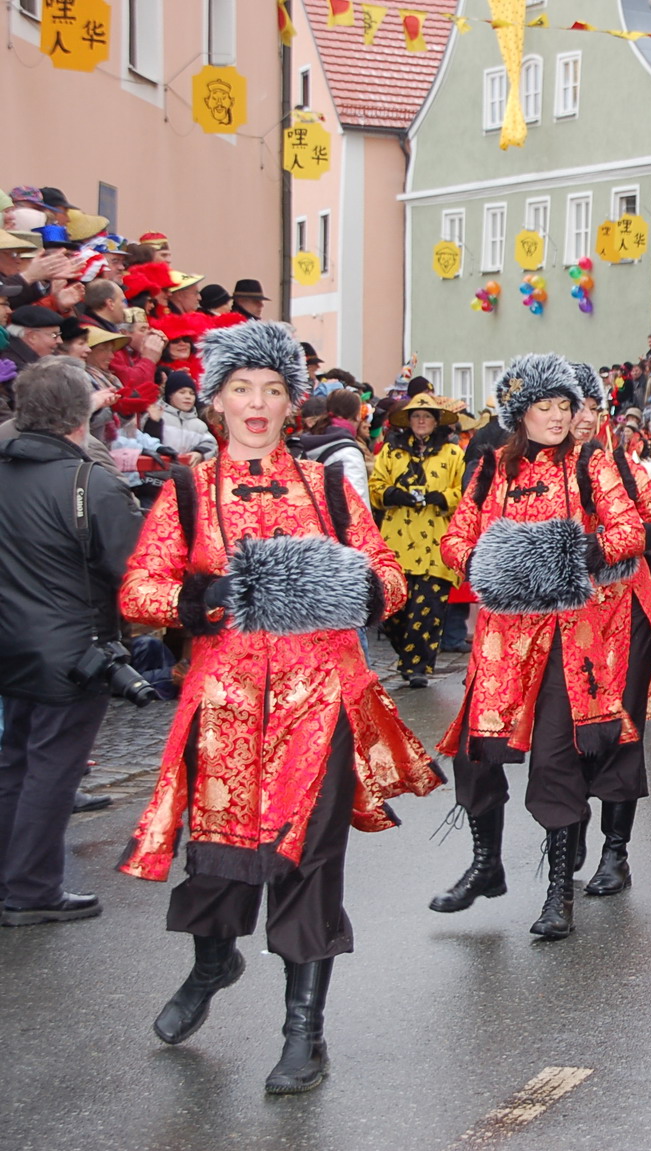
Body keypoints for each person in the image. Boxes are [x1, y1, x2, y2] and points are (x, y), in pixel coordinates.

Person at [118, 322, 442, 1093]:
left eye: (271, 389)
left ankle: (305, 1032)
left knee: (310, 860)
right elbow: (136, 591)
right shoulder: (190, 489)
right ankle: (213, 960)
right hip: (224, 704)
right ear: (217, 400)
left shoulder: (327, 486)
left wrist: (363, 589)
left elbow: (388, 573)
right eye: (241, 389)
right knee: (220, 859)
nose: (257, 404)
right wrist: (199, 600)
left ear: (291, 401)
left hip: (318, 701)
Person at [432, 355, 651, 940]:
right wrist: (487, 561)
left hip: (572, 634)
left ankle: (559, 890)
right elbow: (455, 537)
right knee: (477, 752)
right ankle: (487, 865)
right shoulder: (490, 468)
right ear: (520, 414)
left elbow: (628, 531)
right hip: (502, 640)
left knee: (559, 759)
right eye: (546, 406)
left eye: (567, 405)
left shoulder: (593, 462)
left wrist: (574, 556)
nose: (560, 416)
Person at [0, 359, 143, 926]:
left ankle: (14, 879)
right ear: (83, 415)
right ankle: (31, 887)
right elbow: (131, 571)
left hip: (13, 640)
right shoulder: (90, 481)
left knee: (15, 762)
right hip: (72, 650)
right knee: (51, 770)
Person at [370, 394, 466, 688]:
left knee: (428, 611)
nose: (421, 421)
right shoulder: (391, 451)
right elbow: (376, 485)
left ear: (436, 421)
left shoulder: (452, 454)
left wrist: (443, 498)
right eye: (416, 416)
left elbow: (464, 492)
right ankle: (408, 658)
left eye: (427, 416)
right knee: (394, 611)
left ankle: (418, 667)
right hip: (397, 544)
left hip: (435, 546)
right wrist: (391, 494)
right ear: (408, 422)